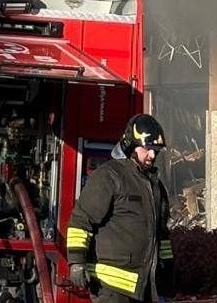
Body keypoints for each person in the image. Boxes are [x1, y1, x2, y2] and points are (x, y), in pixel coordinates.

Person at [66, 114, 173, 303]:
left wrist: (168, 268)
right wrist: (76, 262)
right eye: (148, 149)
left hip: (142, 288)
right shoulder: (109, 176)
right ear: (131, 146)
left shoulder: (155, 186)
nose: (153, 155)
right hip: (109, 288)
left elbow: (161, 234)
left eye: (156, 150)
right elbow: (81, 221)